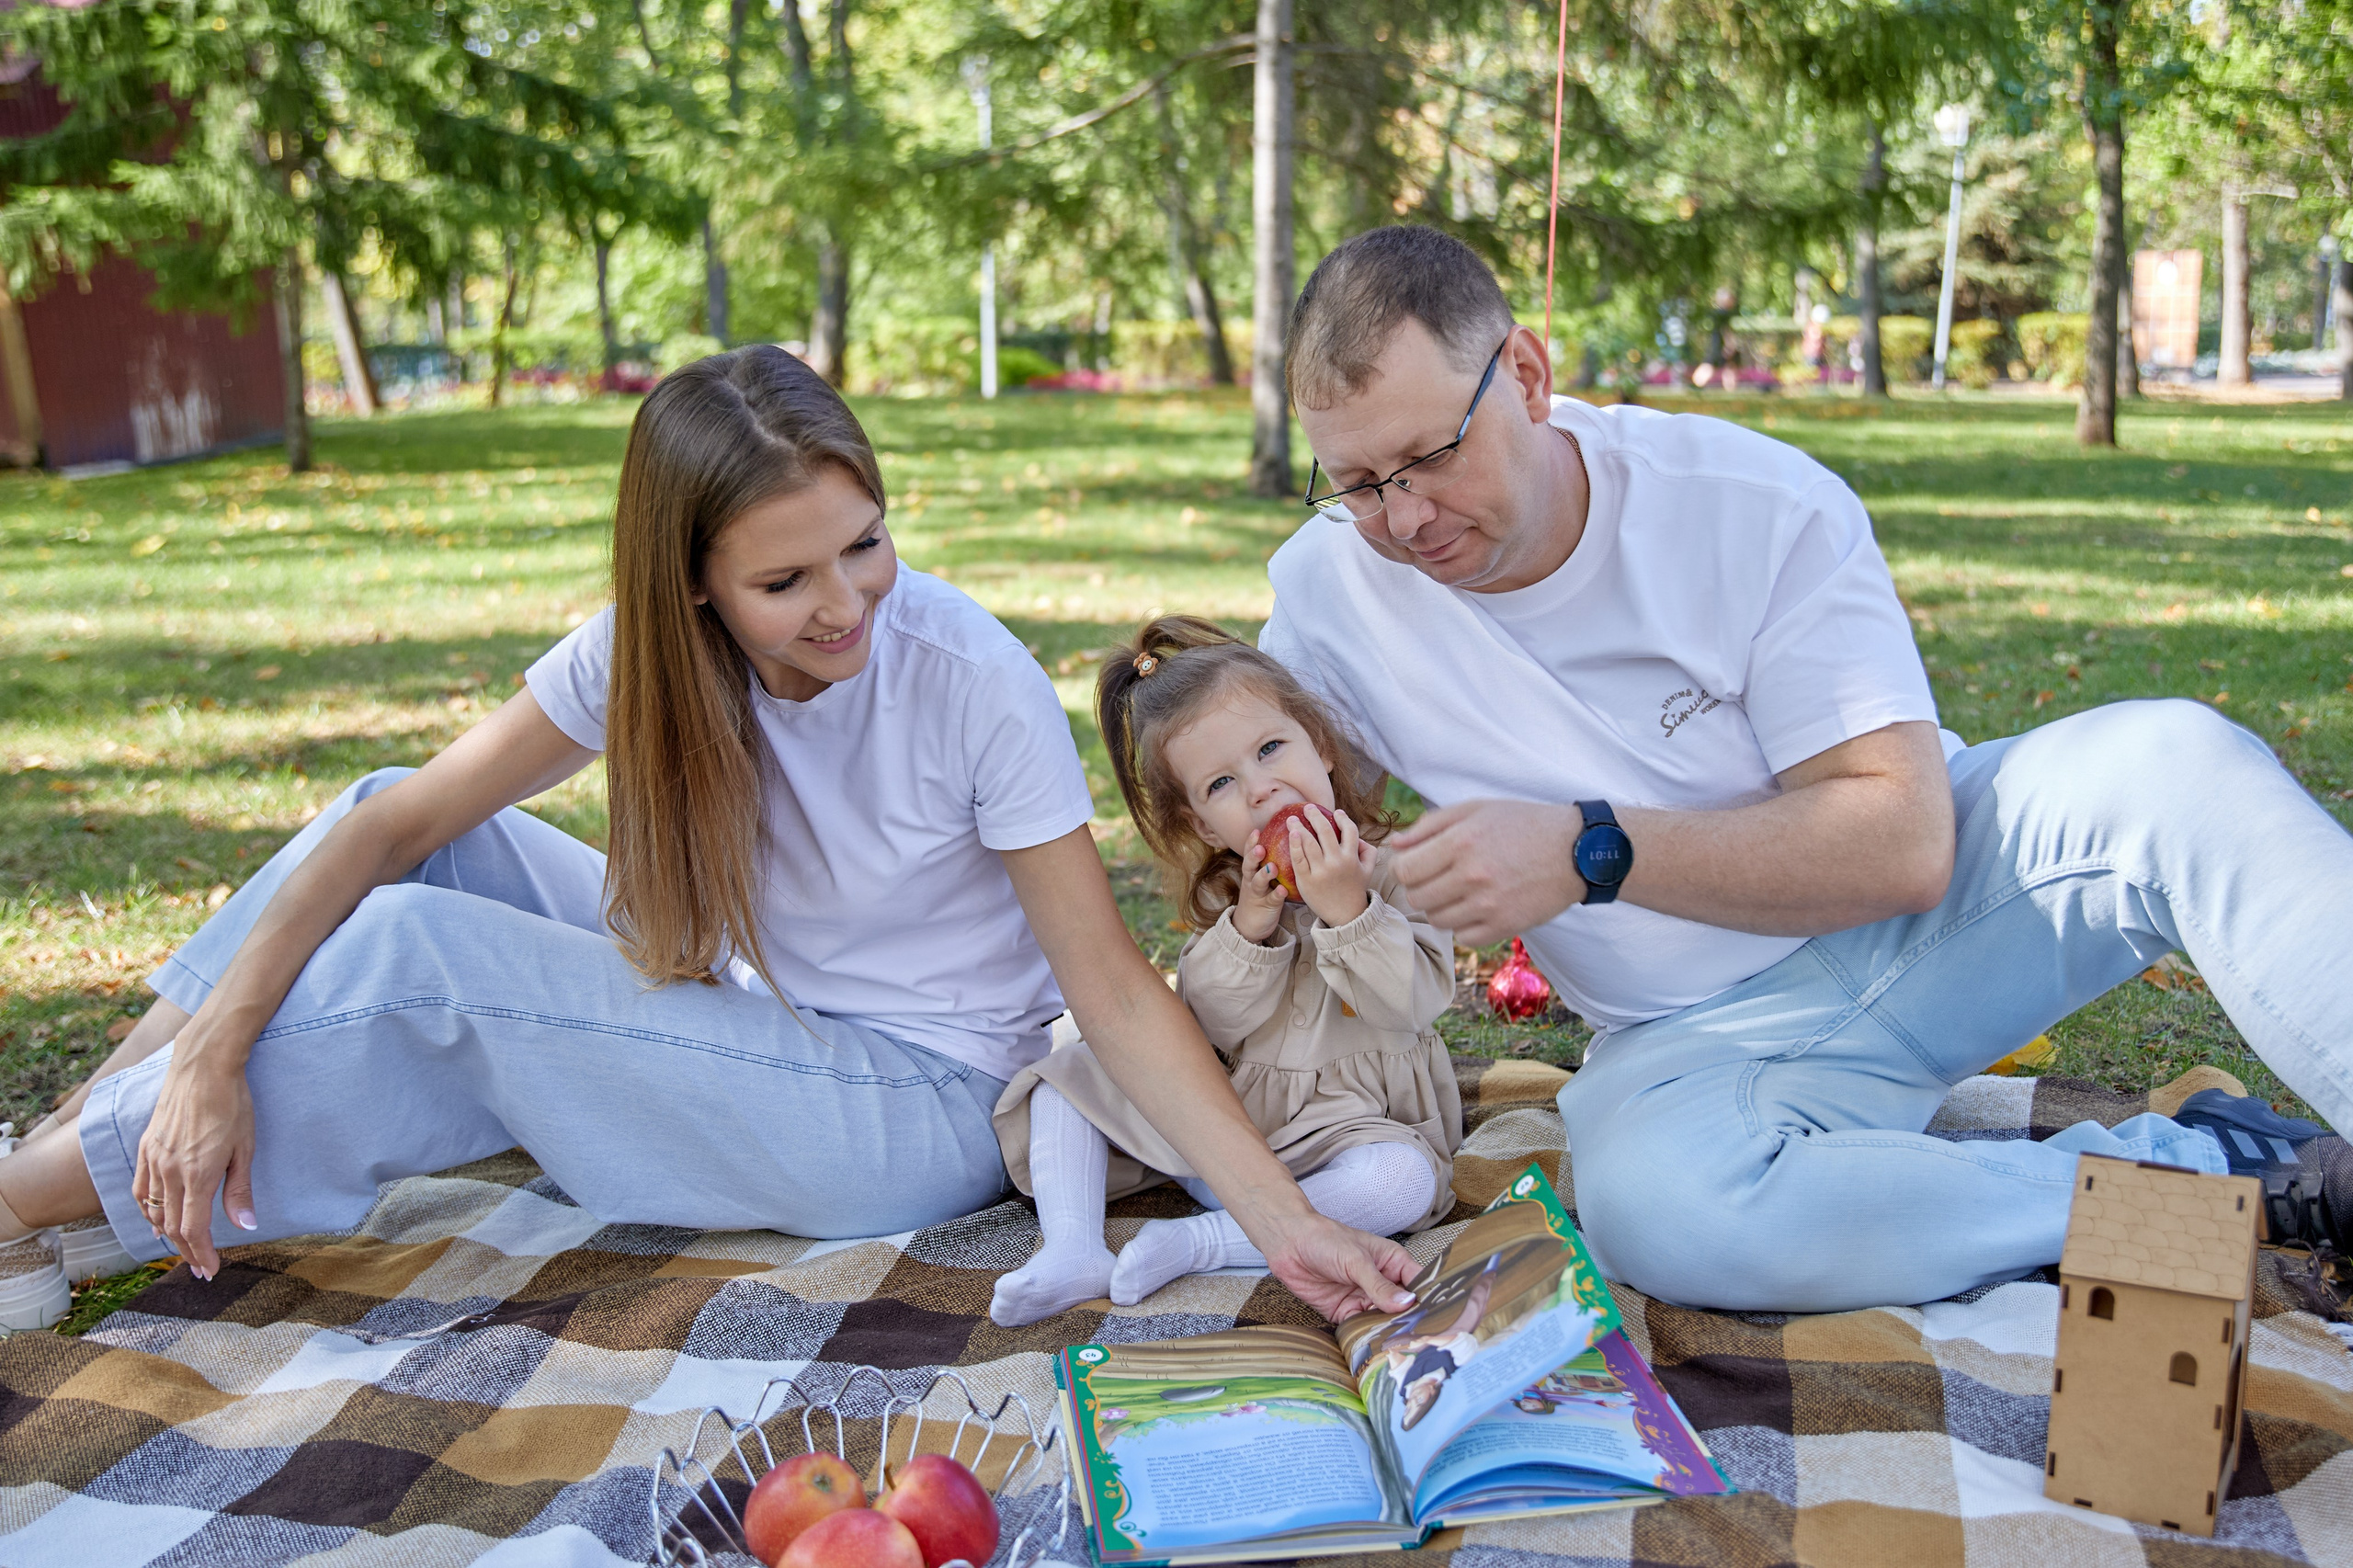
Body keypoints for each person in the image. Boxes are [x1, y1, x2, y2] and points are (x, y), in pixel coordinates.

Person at [0, 347, 1421, 1333]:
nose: (848, 602)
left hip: (918, 1105)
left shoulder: (963, 672)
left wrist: (1282, 1223)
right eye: (786, 577)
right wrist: (203, 1051)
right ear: (692, 584)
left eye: (866, 543)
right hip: (766, 1016)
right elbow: (403, 819)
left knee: (419, 958)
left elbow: (1111, 990)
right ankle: (69, 1158)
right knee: (397, 819)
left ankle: (19, 1204)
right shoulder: (641, 654)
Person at [1259, 224, 2353, 1314]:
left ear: (1529, 377)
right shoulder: (1330, 592)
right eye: (1356, 483)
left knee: (2176, 764)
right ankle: (2217, 1175)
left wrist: (1585, 848)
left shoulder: (1747, 501)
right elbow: (1249, 804)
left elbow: (1906, 843)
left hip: (1947, 928)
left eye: (1432, 456)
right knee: (1666, 1214)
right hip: (1686, 1045)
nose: (1403, 518)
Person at [986, 617, 1461, 1327]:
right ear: (1207, 826)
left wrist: (1348, 913)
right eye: (1222, 784)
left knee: (1403, 1184)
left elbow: (1413, 1003)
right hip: (1231, 1130)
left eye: (1272, 749)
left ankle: (1199, 1243)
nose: (1263, 790)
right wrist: (1249, 931)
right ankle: (1073, 1247)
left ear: (1322, 748)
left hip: (1355, 1130)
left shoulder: (1401, 870)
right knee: (1067, 1077)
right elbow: (1206, 1023)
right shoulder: (1229, 893)